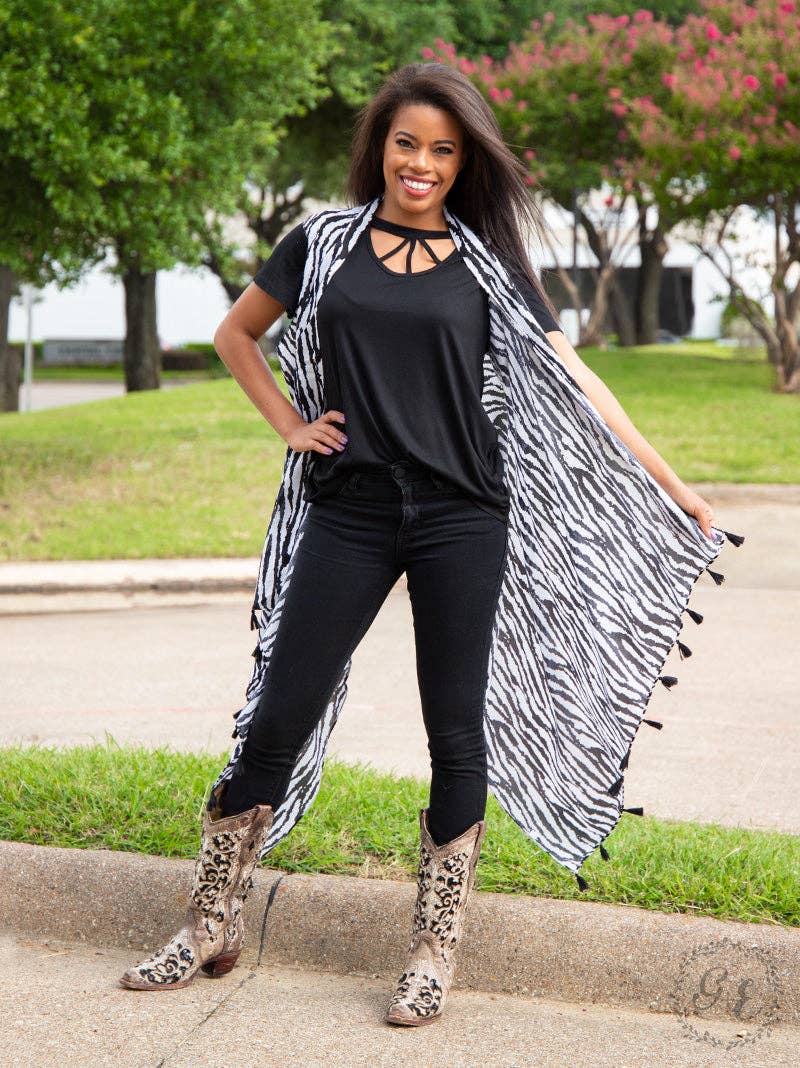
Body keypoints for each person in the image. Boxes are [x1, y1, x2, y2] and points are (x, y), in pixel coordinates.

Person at [120, 62, 736, 1024]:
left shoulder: (490, 265)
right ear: (381, 147)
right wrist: (291, 424)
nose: (422, 163)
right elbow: (238, 335)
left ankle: (433, 950)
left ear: (463, 164)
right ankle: (208, 922)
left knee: (455, 728)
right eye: (407, 143)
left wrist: (673, 481)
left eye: (443, 150)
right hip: (350, 508)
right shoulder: (323, 243)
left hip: (462, 517)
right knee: (279, 711)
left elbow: (576, 382)